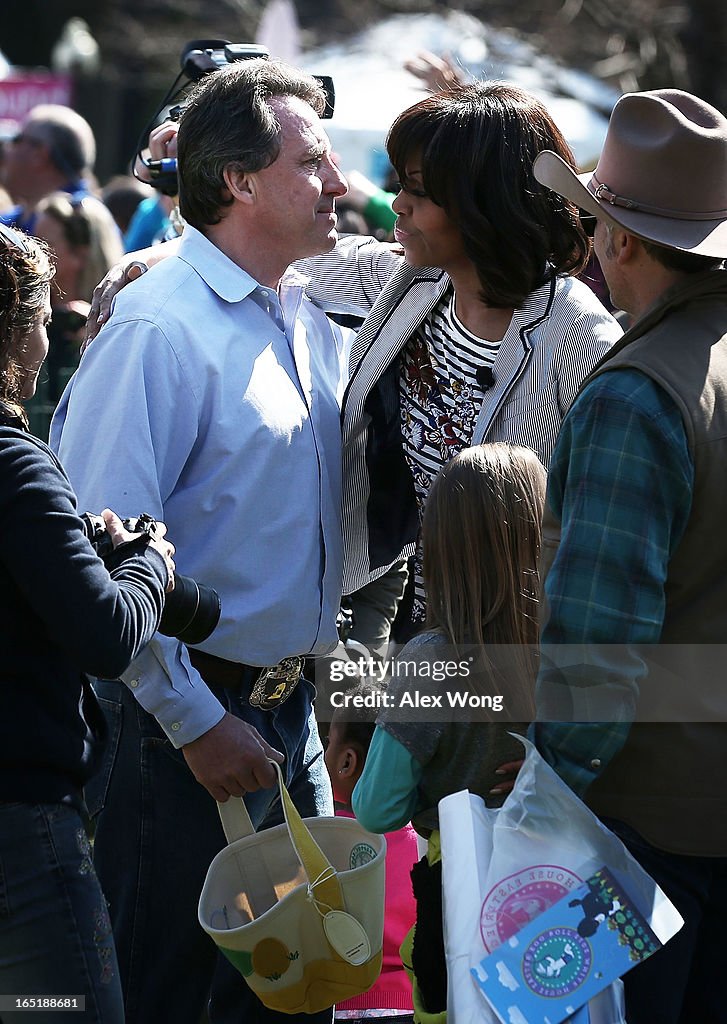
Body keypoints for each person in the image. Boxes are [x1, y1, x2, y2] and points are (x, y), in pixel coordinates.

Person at [89, 81, 622, 639]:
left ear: (480, 202)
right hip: (406, 631)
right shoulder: (412, 283)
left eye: (418, 189)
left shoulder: (580, 341)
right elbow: (253, 248)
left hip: (521, 646)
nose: (397, 203)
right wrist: (145, 261)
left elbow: (605, 540)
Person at [50, 59, 352, 1024]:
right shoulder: (158, 329)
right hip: (176, 737)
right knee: (165, 992)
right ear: (240, 182)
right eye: (314, 163)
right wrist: (191, 720)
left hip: (282, 718)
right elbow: (97, 556)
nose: (339, 184)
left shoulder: (305, 315)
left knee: (288, 997)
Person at [530, 88, 727, 1024]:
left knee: (552, 1002)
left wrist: (534, 813)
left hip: (642, 840)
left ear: (622, 241)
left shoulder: (636, 396)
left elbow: (593, 655)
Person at [0, 222, 175, 1022]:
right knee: (64, 1010)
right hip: (22, 838)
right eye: (40, 316)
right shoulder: (12, 463)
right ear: (13, 331)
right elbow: (105, 635)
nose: (50, 332)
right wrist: (146, 562)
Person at [353, 442, 546, 1021]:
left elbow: (377, 808)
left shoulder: (429, 661)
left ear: (441, 547)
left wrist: (432, 793)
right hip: (552, 878)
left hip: (455, 887)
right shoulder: (566, 647)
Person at [324, 686, 418, 1023]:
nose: (324, 754)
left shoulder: (319, 838)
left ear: (346, 762)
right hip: (412, 1005)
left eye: (328, 745)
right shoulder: (425, 840)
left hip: (337, 1006)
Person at [0, 104, 98, 233]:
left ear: (39, 155)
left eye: (16, 140)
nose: (7, 150)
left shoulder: (85, 221)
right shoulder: (10, 221)